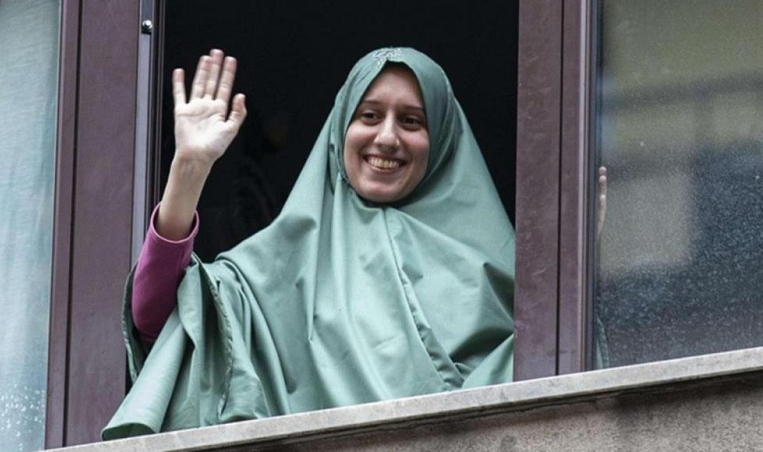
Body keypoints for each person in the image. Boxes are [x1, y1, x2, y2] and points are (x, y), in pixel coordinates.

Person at [102, 47, 515, 439]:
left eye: (411, 121)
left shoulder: (498, 268)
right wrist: (188, 170)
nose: (387, 137)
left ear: (442, 138)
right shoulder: (274, 267)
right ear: (340, 130)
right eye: (369, 116)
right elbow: (158, 318)